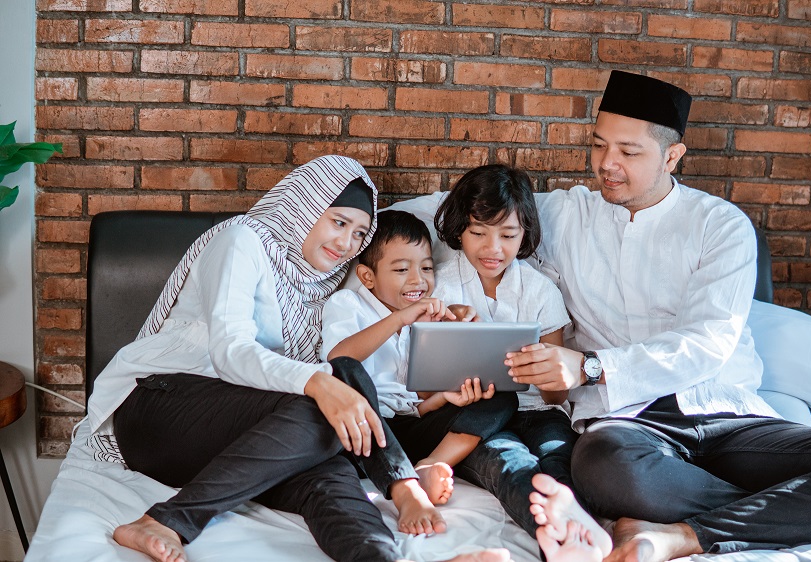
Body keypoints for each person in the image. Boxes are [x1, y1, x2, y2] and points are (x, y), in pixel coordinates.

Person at [84, 155, 510, 562]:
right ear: (306, 206)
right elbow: (231, 350)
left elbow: (386, 301)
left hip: (234, 432)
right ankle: (401, 486)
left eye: (359, 234)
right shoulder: (242, 239)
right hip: (158, 407)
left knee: (327, 476)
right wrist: (319, 382)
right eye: (338, 222)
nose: (346, 243)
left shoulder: (317, 284)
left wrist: (446, 321)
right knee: (337, 384)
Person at [500, 70, 811, 562]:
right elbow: (467, 215)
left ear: (672, 156)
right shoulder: (562, 216)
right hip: (626, 424)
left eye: (629, 152)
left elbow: (707, 343)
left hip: (724, 411)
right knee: (605, 471)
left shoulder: (721, 227)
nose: (607, 165)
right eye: (599, 146)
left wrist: (590, 365)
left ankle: (681, 534)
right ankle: (784, 510)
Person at [428, 164, 612, 557]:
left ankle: (583, 535)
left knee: (560, 462)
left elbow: (555, 396)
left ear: (525, 234)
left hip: (538, 412)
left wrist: (546, 372)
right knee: (510, 465)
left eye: (508, 235)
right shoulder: (439, 287)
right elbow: (421, 382)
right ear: (460, 229)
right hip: (477, 417)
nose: (493, 249)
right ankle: (559, 542)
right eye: (478, 233)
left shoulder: (540, 291)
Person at [321, 209, 518, 508]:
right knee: (348, 370)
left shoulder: (425, 317)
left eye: (426, 268)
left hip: (412, 430)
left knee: (503, 396)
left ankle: (431, 464)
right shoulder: (349, 303)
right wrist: (400, 319)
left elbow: (417, 400)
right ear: (367, 277)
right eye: (402, 270)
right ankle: (399, 476)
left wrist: (444, 394)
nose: (418, 281)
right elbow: (339, 360)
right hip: (368, 434)